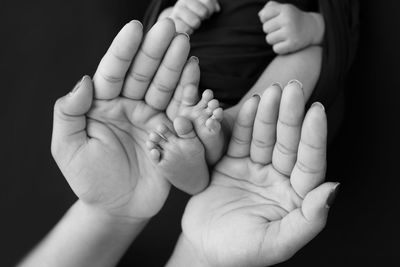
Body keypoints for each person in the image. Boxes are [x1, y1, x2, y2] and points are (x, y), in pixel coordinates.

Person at [18, 16, 339, 267]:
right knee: (280, 84)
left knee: (302, 62)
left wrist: (312, 25)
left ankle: (208, 140)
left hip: (188, 93)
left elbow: (341, 20)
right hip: (203, 90)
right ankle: (208, 140)